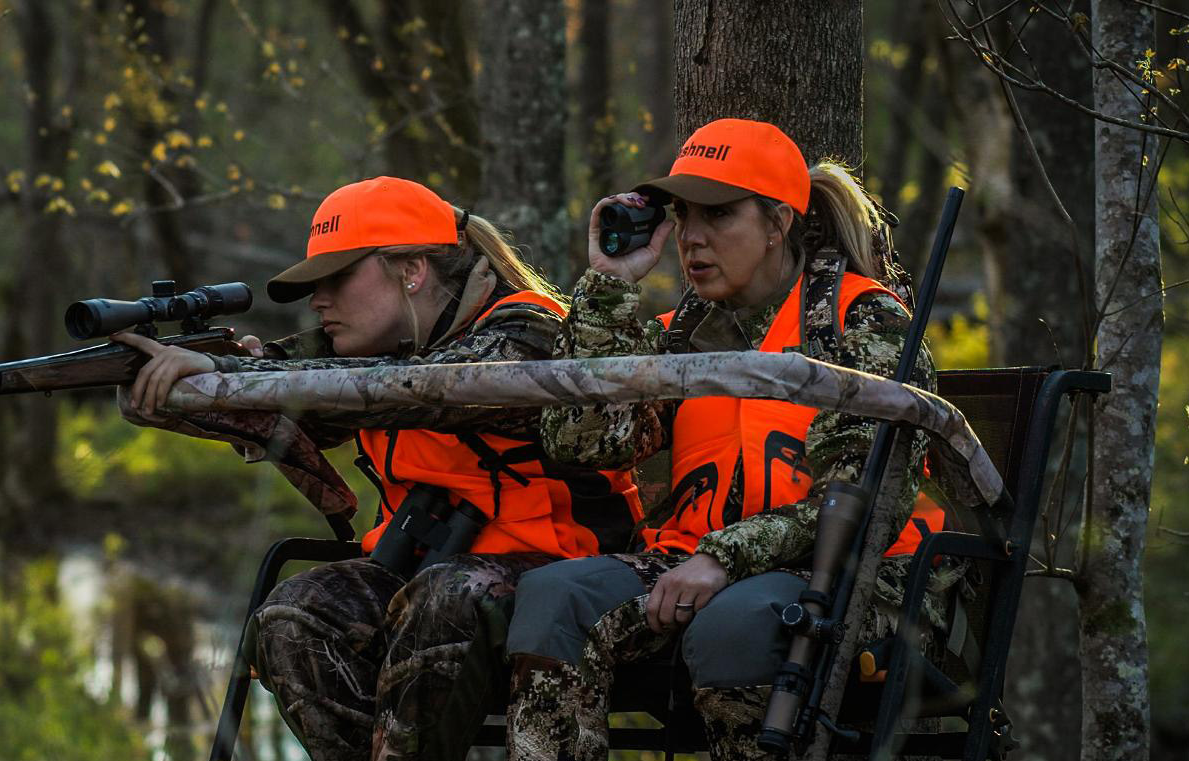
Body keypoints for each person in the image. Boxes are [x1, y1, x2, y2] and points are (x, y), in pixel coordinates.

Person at [113, 176, 642, 761]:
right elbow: (298, 414)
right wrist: (178, 394)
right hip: (427, 571)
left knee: (444, 594)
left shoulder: (529, 330)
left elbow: (437, 389)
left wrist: (240, 377)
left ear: (411, 269)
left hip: (562, 574)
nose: (318, 301)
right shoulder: (373, 353)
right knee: (294, 614)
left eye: (337, 279)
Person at [504, 119, 953, 761]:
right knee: (554, 597)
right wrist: (607, 287)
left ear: (777, 223)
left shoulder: (862, 323)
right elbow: (578, 442)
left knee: (735, 621)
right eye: (684, 215)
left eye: (718, 215)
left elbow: (862, 497)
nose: (692, 237)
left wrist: (724, 559)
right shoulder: (678, 337)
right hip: (690, 565)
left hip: (856, 581)